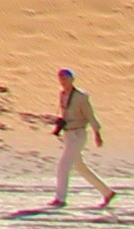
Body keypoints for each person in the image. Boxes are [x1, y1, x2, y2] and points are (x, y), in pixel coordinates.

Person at [41, 69, 117, 210]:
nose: (63, 82)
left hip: (78, 134)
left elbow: (90, 115)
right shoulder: (62, 94)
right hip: (68, 134)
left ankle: (60, 198)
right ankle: (107, 192)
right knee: (80, 167)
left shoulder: (81, 97)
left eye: (65, 79)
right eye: (61, 79)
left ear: (72, 80)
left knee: (64, 165)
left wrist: (97, 133)